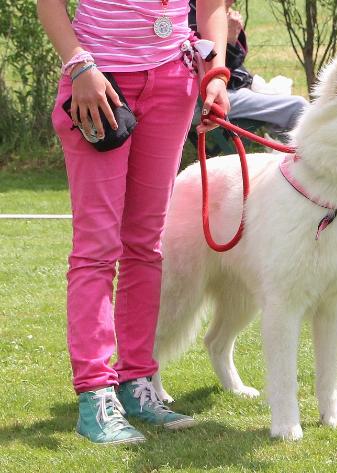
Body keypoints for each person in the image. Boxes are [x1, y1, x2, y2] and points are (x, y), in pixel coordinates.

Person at [37, 0, 230, 445]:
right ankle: (95, 396)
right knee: (96, 248)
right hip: (96, 80)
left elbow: (213, 5)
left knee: (146, 244)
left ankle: (138, 383)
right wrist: (80, 65)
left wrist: (215, 72)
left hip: (172, 80)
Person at [190, 0, 308, 140]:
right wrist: (230, 40)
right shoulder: (194, 16)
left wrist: (232, 38)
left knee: (288, 99)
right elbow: (205, 69)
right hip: (208, 96)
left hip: (233, 88)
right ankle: (295, 155)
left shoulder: (222, 15)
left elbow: (237, 62)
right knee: (298, 107)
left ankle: (282, 148)